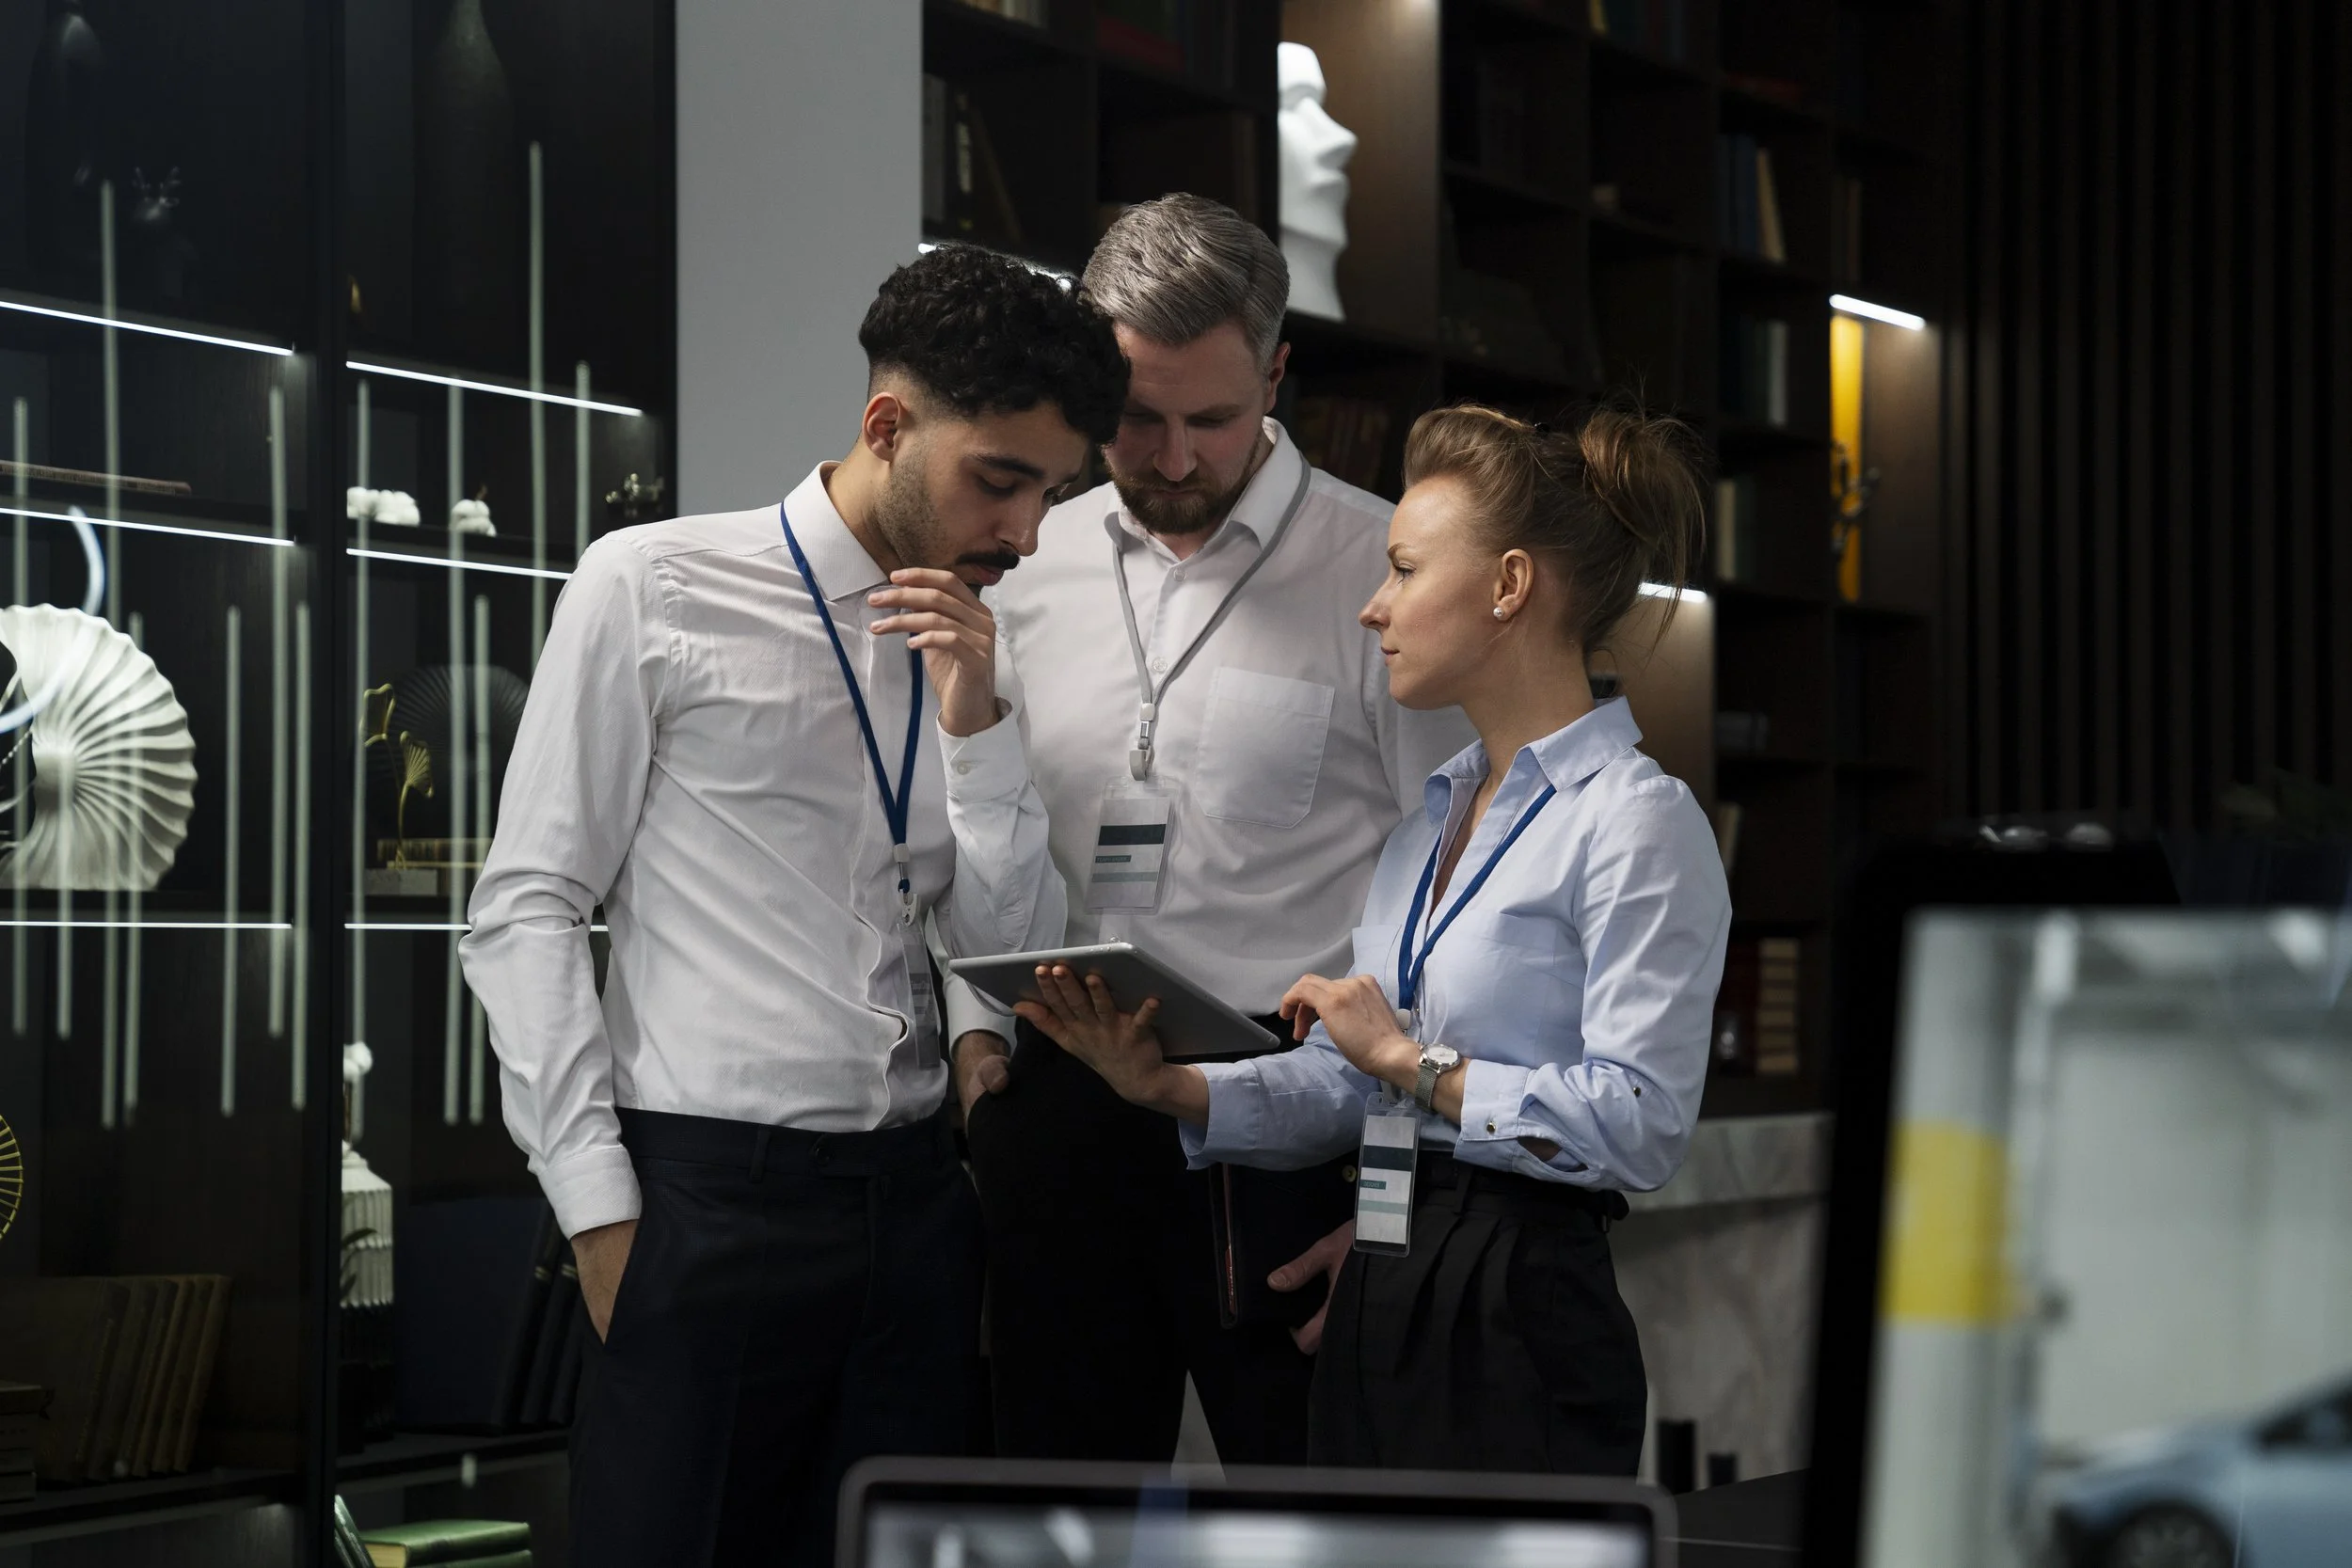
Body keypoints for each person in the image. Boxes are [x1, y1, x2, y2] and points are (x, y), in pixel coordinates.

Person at [460, 245, 1125, 1567]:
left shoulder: (979, 634)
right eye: (1000, 478)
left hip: (919, 1209)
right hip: (709, 1205)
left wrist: (977, 723)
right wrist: (601, 1214)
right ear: (888, 425)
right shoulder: (652, 584)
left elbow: (999, 949)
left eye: (1051, 490)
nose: (1026, 531)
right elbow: (527, 906)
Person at [1022, 403, 1733, 1475]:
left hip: (1525, 1297)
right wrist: (1170, 1089)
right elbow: (1353, 1084)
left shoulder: (1636, 817)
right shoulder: (1431, 818)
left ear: (1507, 586)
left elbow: (1637, 1124)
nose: (1372, 605)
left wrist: (1411, 1059)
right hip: (1385, 1271)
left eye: (1402, 569)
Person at [946, 194, 1472, 1465]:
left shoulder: (1381, 572)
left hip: (1290, 1121)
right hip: (1061, 1102)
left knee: (1316, 1530)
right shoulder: (1026, 558)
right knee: (1042, 1532)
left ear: (1279, 375)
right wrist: (973, 1044)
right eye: (1136, 417)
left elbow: (1457, 911)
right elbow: (970, 817)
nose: (1174, 457)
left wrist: (1397, 1213)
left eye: (1213, 419)